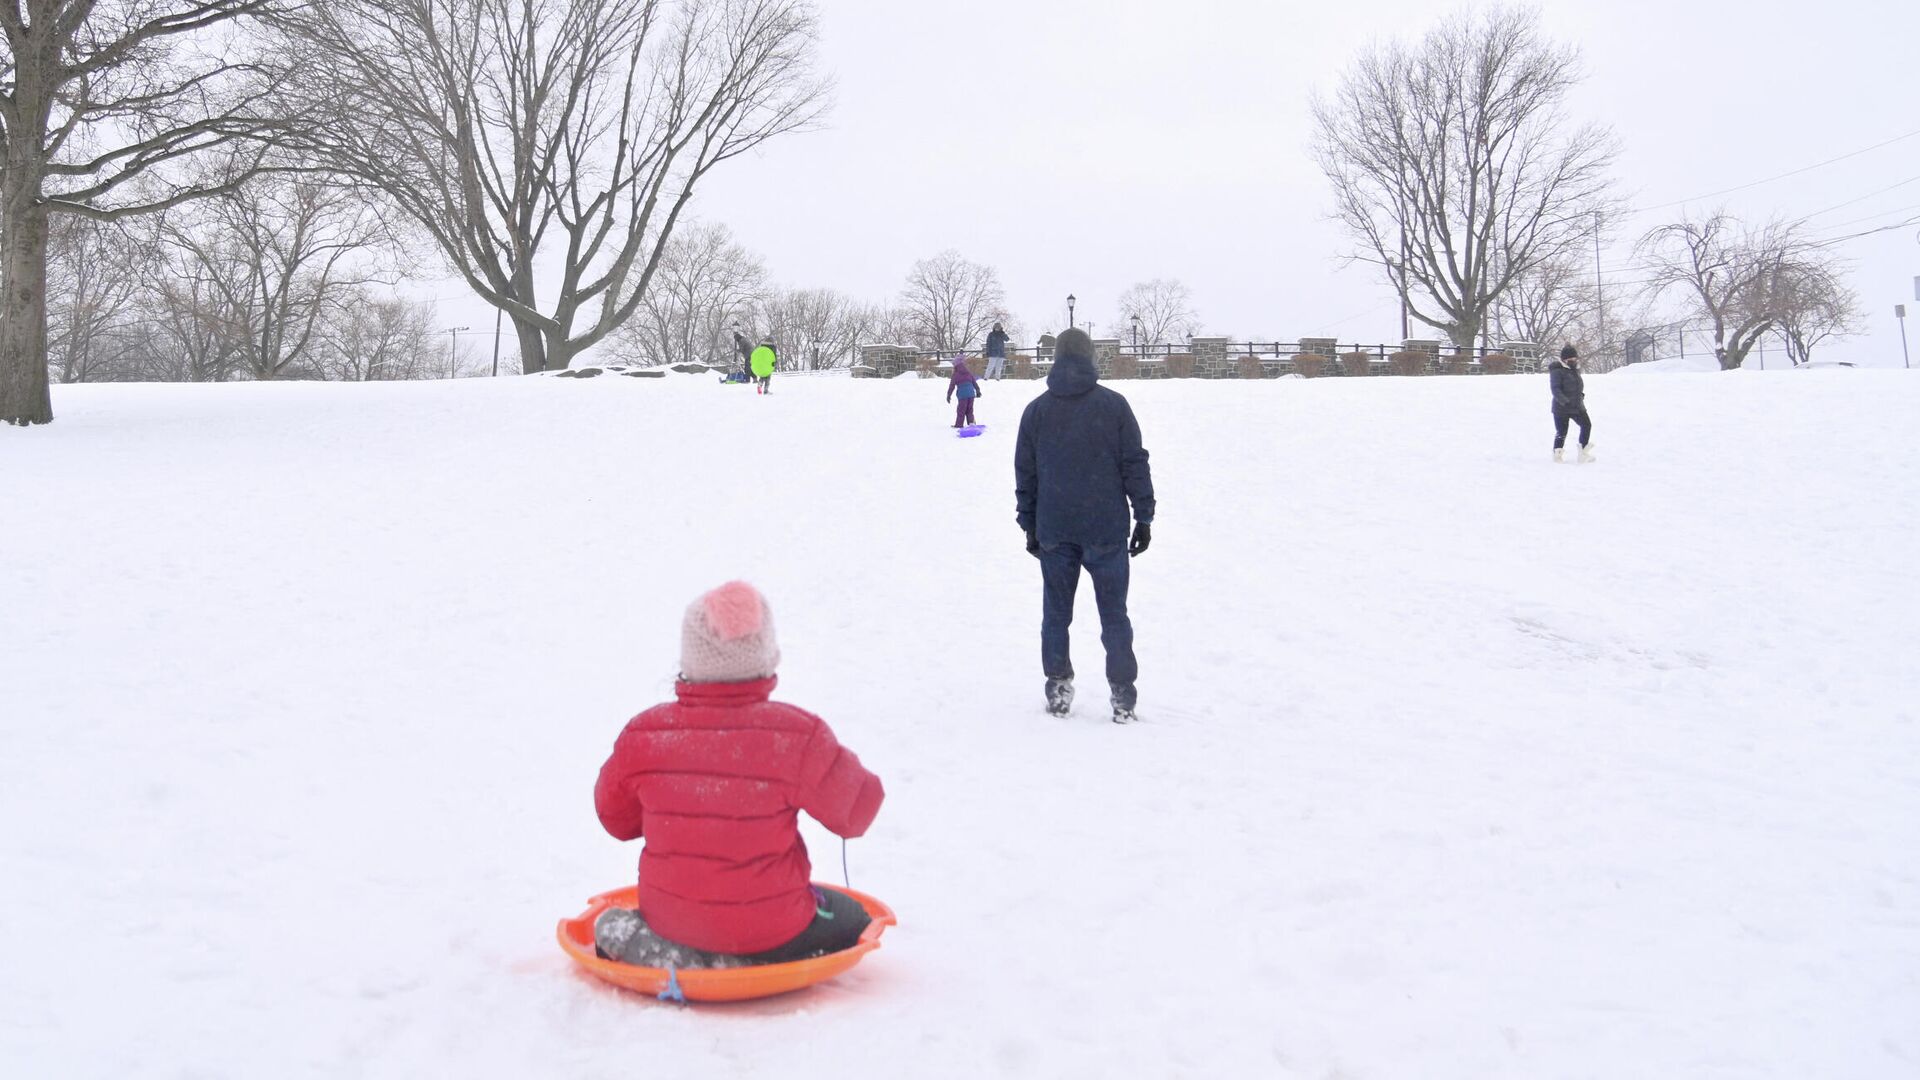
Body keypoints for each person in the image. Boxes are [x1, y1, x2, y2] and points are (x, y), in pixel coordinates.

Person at [592, 581, 885, 967]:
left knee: (609, 923)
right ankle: (751, 959)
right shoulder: (796, 736)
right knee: (854, 916)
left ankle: (671, 952)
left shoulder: (646, 736)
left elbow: (617, 821)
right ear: (765, 657)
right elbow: (858, 812)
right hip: (775, 930)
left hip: (670, 923)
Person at [1014, 328, 1155, 724]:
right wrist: (1143, 515)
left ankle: (1058, 685)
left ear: (1057, 359)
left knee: (1056, 614)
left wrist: (1029, 523)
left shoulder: (1037, 411)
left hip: (1055, 527)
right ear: (1091, 358)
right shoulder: (1114, 407)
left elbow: (1026, 474)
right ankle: (1123, 694)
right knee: (1115, 615)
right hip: (1105, 526)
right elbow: (1134, 462)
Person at [1549, 344, 1595, 463]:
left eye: (1575, 359)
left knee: (1586, 425)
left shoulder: (1575, 370)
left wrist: (1580, 395)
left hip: (1577, 406)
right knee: (1562, 432)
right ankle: (1557, 454)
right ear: (1564, 360)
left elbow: (1576, 386)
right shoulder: (1557, 371)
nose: (1573, 361)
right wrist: (1565, 401)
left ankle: (1583, 453)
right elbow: (1555, 389)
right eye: (1570, 360)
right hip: (1561, 408)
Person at [947, 353, 982, 427]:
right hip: (971, 394)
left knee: (961, 411)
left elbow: (952, 386)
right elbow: (974, 382)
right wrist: (978, 391)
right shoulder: (968, 373)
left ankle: (959, 425)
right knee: (969, 410)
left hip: (963, 395)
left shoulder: (955, 375)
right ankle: (971, 423)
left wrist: (948, 395)